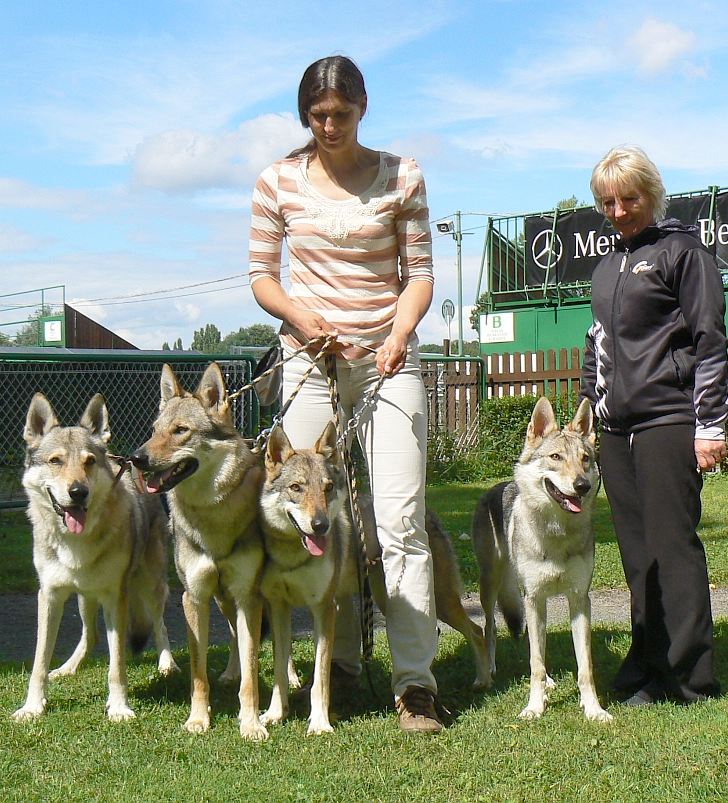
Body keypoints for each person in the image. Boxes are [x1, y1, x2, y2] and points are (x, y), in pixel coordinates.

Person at [248, 56, 441, 733]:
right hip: (310, 361)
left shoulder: (403, 175)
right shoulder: (276, 181)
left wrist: (399, 333)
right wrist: (302, 320)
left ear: (363, 107)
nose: (329, 125)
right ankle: (342, 666)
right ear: (305, 115)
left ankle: (415, 684)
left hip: (388, 363)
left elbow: (419, 274)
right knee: (313, 517)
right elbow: (262, 278)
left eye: (341, 113)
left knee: (399, 522)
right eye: (317, 115)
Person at [581, 145, 728, 707]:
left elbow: (709, 340)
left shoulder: (683, 253)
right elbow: (597, 342)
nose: (618, 211)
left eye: (628, 199)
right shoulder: (607, 264)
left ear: (652, 193)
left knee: (673, 547)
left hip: (671, 419)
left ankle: (692, 677)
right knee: (636, 553)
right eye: (607, 202)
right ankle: (646, 664)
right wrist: (588, 411)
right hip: (616, 429)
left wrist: (710, 423)